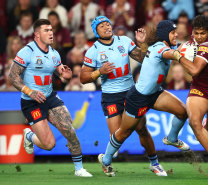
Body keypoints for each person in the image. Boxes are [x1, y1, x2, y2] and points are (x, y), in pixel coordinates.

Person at [96, 19, 190, 177]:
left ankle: (171, 139)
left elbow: (179, 47)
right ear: (164, 35)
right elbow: (169, 53)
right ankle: (106, 160)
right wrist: (179, 54)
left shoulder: (165, 45)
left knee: (182, 111)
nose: (176, 35)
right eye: (173, 33)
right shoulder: (161, 48)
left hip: (155, 93)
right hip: (138, 98)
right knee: (123, 133)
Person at [80, 16, 168, 177]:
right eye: (102, 26)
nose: (107, 27)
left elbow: (144, 58)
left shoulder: (125, 41)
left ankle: (154, 163)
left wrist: (142, 43)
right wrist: (100, 71)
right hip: (110, 97)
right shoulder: (93, 51)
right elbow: (83, 78)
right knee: (118, 138)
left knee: (142, 129)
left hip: (131, 93)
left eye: (108, 24)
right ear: (96, 32)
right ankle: (107, 160)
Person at [8, 19, 92, 177]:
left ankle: (79, 169)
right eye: (46, 30)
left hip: (50, 98)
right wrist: (29, 91)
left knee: (70, 130)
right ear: (37, 34)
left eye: (51, 30)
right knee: (49, 144)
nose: (51, 33)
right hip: (31, 102)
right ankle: (30, 135)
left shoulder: (54, 53)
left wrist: (65, 76)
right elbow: (13, 76)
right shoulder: (27, 52)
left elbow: (60, 73)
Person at [167, 15, 208, 179]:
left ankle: (203, 127)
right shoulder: (193, 41)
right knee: (194, 122)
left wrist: (178, 56)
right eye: (197, 33)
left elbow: (194, 70)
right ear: (192, 32)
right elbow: (180, 46)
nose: (200, 37)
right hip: (200, 88)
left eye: (203, 33)